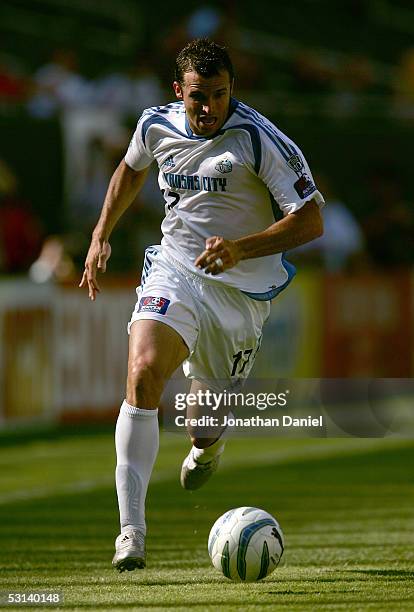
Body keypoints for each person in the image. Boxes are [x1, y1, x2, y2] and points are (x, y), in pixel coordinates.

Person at [79, 39, 324, 572]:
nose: (209, 107)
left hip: (238, 295)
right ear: (178, 92)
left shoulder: (260, 141)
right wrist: (101, 234)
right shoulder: (155, 125)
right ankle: (131, 533)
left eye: (218, 94)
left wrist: (241, 248)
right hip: (175, 271)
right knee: (143, 373)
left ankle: (208, 448)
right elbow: (130, 168)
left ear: (232, 88)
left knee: (201, 422)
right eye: (198, 97)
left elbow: (310, 220)